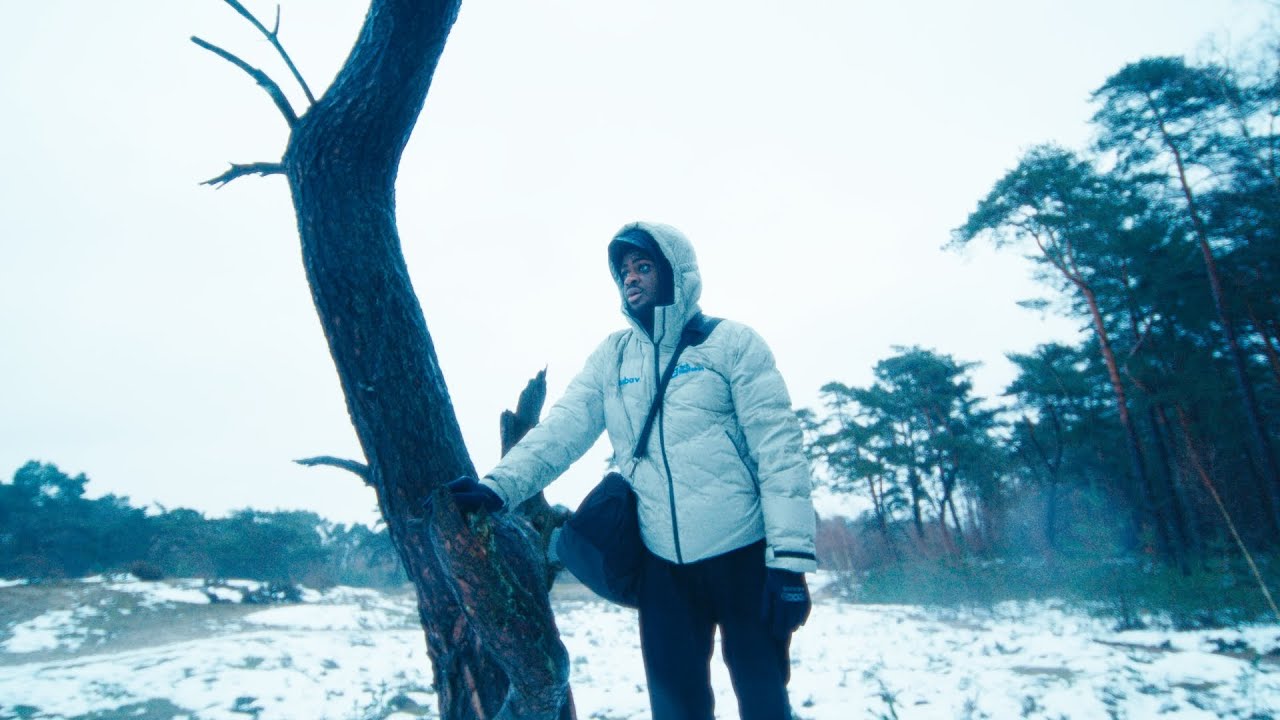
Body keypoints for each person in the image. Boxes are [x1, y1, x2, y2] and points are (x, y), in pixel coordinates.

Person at [449, 221, 817, 720]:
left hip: (744, 557)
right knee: (675, 709)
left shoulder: (732, 344)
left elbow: (780, 451)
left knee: (765, 702)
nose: (632, 278)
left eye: (644, 266)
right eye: (624, 271)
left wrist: (789, 562)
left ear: (676, 274)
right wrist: (497, 489)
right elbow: (563, 429)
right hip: (663, 566)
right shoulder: (613, 357)